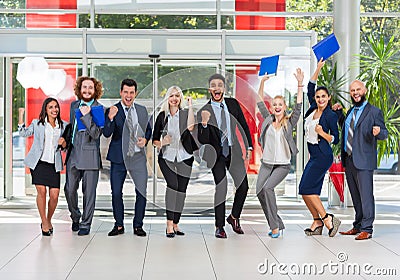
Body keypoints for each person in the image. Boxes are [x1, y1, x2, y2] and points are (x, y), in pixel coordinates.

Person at [197, 73, 253, 238]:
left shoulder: (233, 104)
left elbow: (243, 124)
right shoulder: (204, 110)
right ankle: (219, 226)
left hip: (233, 151)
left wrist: (249, 146)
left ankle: (234, 217)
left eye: (219, 85)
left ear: (224, 89)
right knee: (221, 188)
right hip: (217, 155)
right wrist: (205, 124)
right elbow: (202, 140)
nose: (216, 88)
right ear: (209, 89)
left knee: (243, 187)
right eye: (213, 85)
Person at [333, 80, 387, 240]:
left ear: (365, 90)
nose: (355, 92)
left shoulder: (374, 112)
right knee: (355, 196)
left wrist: (379, 132)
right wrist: (339, 114)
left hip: (364, 160)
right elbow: (348, 128)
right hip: (349, 159)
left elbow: (384, 132)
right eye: (352, 90)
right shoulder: (350, 111)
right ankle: (357, 225)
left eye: (358, 89)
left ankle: (367, 229)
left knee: (366, 195)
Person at [256, 69, 304, 238]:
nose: (277, 107)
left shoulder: (290, 122)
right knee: (259, 191)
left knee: (268, 188)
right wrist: (262, 82)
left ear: (284, 107)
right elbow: (259, 99)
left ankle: (275, 227)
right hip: (267, 163)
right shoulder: (268, 120)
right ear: (272, 107)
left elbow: (298, 106)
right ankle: (277, 223)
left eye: (280, 104)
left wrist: (299, 84)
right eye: (274, 104)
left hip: (282, 165)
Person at [103, 78, 152, 237]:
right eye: (126, 92)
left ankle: (138, 225)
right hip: (119, 158)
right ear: (121, 93)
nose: (128, 96)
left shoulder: (142, 110)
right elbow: (107, 133)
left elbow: (148, 130)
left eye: (132, 92)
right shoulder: (113, 110)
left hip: (137, 157)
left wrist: (145, 140)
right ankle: (119, 225)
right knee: (116, 192)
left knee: (141, 192)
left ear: (135, 93)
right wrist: (110, 118)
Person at [298, 59, 341, 237]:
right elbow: (310, 86)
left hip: (323, 156)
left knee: (306, 188)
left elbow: (336, 139)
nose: (320, 99)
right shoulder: (312, 109)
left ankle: (327, 218)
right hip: (313, 154)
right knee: (306, 190)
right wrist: (318, 68)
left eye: (323, 96)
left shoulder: (331, 115)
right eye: (318, 97)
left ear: (329, 98)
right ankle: (317, 221)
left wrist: (322, 133)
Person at [152, 86, 198, 238]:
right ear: (167, 98)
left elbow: (191, 127)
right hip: (167, 158)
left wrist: (191, 106)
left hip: (185, 157)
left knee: (182, 191)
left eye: (177, 96)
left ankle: (176, 223)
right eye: (171, 96)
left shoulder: (185, 114)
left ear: (180, 99)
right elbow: (154, 141)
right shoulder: (162, 116)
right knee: (173, 186)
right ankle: (169, 224)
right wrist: (163, 142)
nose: (174, 99)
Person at [18, 97, 68, 236]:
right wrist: (21, 116)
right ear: (45, 109)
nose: (54, 109)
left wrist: (63, 143)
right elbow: (23, 133)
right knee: (42, 192)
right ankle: (44, 223)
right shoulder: (37, 123)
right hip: (38, 163)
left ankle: (49, 219)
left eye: (56, 107)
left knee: (55, 195)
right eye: (51, 107)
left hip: (53, 165)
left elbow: (66, 147)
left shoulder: (64, 125)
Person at [64, 76, 103, 236]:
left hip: (90, 155)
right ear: (79, 89)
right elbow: (72, 128)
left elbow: (96, 134)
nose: (87, 91)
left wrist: (87, 116)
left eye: (90, 88)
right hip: (73, 153)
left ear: (95, 91)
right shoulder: (74, 105)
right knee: (69, 189)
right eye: (84, 87)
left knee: (89, 193)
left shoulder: (99, 109)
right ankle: (75, 216)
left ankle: (86, 224)